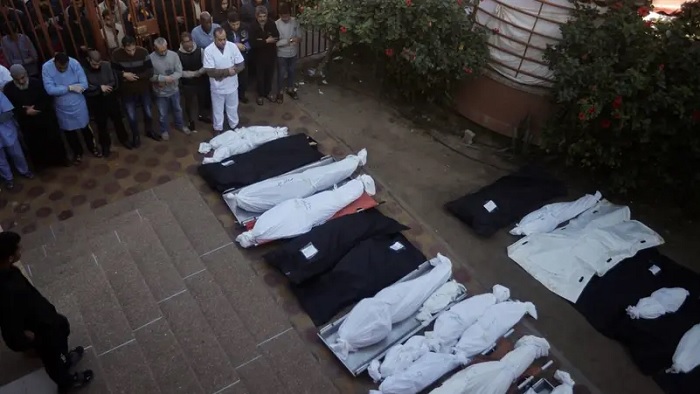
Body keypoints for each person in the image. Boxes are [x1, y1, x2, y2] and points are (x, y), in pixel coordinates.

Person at [0, 231, 93, 393]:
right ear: (9, 257)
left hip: (46, 319)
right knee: (53, 357)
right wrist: (27, 339)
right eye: (18, 249)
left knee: (62, 329)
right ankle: (66, 382)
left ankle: (64, 360)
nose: (21, 250)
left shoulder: (9, 272)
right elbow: (10, 327)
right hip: (40, 329)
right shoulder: (7, 290)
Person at [4, 64, 69, 170]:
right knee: (35, 144)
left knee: (53, 140)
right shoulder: (9, 89)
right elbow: (11, 107)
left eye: (23, 78)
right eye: (17, 79)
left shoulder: (37, 83)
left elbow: (47, 99)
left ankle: (61, 160)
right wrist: (25, 111)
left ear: (26, 74)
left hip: (45, 118)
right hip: (27, 122)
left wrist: (36, 108)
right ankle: (41, 165)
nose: (21, 81)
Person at [42, 52, 101, 164]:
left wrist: (60, 88)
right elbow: (50, 89)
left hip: (78, 102)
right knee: (69, 132)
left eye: (65, 67)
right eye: (60, 68)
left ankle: (92, 148)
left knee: (85, 128)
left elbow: (84, 84)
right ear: (55, 62)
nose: (63, 70)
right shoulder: (46, 67)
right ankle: (77, 153)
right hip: (62, 105)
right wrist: (69, 88)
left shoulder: (74, 63)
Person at [111, 35, 157, 146]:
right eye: (128, 50)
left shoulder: (143, 52)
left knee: (148, 113)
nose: (131, 52)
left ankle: (149, 131)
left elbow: (150, 71)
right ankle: (135, 135)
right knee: (131, 116)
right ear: (123, 48)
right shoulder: (116, 54)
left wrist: (134, 77)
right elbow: (112, 71)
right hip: (127, 91)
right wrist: (123, 74)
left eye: (133, 49)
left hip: (143, 88)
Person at [84, 50, 131, 156]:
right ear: (88, 60)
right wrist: (99, 88)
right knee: (101, 125)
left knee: (118, 120)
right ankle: (105, 145)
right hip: (97, 100)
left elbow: (113, 80)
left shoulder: (106, 65)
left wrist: (107, 87)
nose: (96, 66)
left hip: (110, 97)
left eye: (98, 64)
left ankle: (124, 139)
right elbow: (86, 86)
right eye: (94, 64)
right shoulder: (84, 70)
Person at [203, 27, 244, 135]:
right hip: (217, 87)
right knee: (217, 109)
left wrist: (228, 73)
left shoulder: (232, 46)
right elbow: (210, 71)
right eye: (220, 40)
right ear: (214, 39)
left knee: (233, 106)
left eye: (224, 39)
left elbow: (241, 64)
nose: (223, 42)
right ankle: (217, 128)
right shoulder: (208, 50)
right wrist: (227, 72)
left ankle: (234, 124)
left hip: (232, 85)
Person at [150, 37, 188, 140]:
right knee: (162, 113)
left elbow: (179, 71)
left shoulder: (174, 55)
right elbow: (149, 76)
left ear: (167, 46)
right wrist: (162, 78)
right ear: (155, 48)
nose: (163, 53)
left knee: (178, 109)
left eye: (165, 50)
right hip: (160, 92)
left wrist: (170, 78)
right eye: (160, 51)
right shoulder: (150, 59)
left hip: (174, 89)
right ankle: (164, 130)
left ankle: (180, 125)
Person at [0, 91, 32, 189]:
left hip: (6, 130)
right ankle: (8, 178)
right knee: (0, 160)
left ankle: (24, 171)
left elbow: (8, 112)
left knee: (16, 154)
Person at [178, 31, 207, 133]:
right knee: (189, 103)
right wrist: (194, 74)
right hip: (187, 83)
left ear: (192, 41)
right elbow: (179, 72)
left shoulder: (200, 50)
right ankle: (191, 121)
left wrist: (200, 72)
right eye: (185, 42)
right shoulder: (178, 55)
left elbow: (206, 65)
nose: (188, 44)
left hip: (201, 80)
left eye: (189, 41)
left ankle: (201, 115)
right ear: (182, 43)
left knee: (202, 99)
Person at [249, 5, 278, 106]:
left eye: (264, 16)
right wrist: (266, 41)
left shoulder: (271, 23)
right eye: (260, 16)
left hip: (270, 55)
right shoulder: (252, 26)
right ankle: (260, 95)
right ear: (256, 16)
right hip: (258, 56)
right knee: (260, 77)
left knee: (269, 75)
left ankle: (267, 93)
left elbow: (276, 37)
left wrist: (261, 40)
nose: (262, 19)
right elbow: (253, 43)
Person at [275, 2, 301, 102]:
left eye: (287, 16)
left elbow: (299, 36)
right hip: (281, 54)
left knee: (292, 72)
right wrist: (289, 40)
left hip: (293, 53)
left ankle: (290, 89)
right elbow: (277, 43)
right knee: (281, 74)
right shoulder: (276, 24)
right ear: (280, 15)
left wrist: (297, 39)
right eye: (283, 16)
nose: (286, 18)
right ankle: (279, 92)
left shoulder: (295, 22)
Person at [224, 12, 250, 104]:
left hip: (242, 56)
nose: (236, 26)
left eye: (237, 24)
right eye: (233, 24)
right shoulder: (223, 29)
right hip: (229, 58)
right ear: (228, 22)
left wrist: (245, 47)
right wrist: (235, 45)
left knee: (243, 77)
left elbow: (247, 40)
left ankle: (242, 95)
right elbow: (223, 43)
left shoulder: (244, 27)